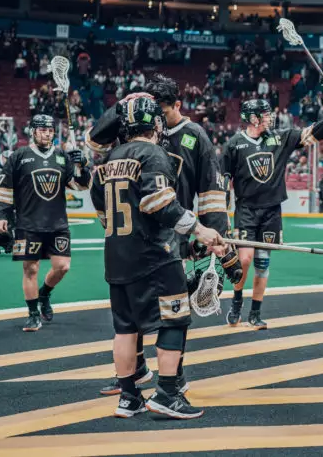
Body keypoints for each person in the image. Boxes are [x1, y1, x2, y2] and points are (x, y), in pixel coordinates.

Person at [91, 95, 224, 419]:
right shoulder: (153, 154)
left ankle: (128, 397)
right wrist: (200, 230)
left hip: (117, 256)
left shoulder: (108, 160)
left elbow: (102, 210)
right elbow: (158, 203)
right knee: (175, 320)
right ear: (156, 124)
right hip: (154, 257)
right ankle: (167, 392)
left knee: (125, 329)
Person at [222, 97, 323, 328]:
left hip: (271, 211)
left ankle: (255, 312)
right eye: (266, 113)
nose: (271, 117)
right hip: (246, 210)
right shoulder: (233, 144)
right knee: (245, 260)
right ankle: (237, 302)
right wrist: (222, 215)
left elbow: (310, 134)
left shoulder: (279, 137)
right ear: (253, 118)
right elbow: (224, 180)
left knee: (263, 264)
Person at [0, 114, 90, 332]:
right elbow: (3, 189)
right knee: (30, 269)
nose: (47, 133)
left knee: (62, 267)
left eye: (50, 129)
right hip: (27, 224)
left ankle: (44, 293)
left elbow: (81, 186)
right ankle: (33, 314)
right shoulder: (19, 156)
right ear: (33, 131)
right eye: (42, 129)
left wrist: (82, 165)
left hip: (57, 224)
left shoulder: (63, 156)